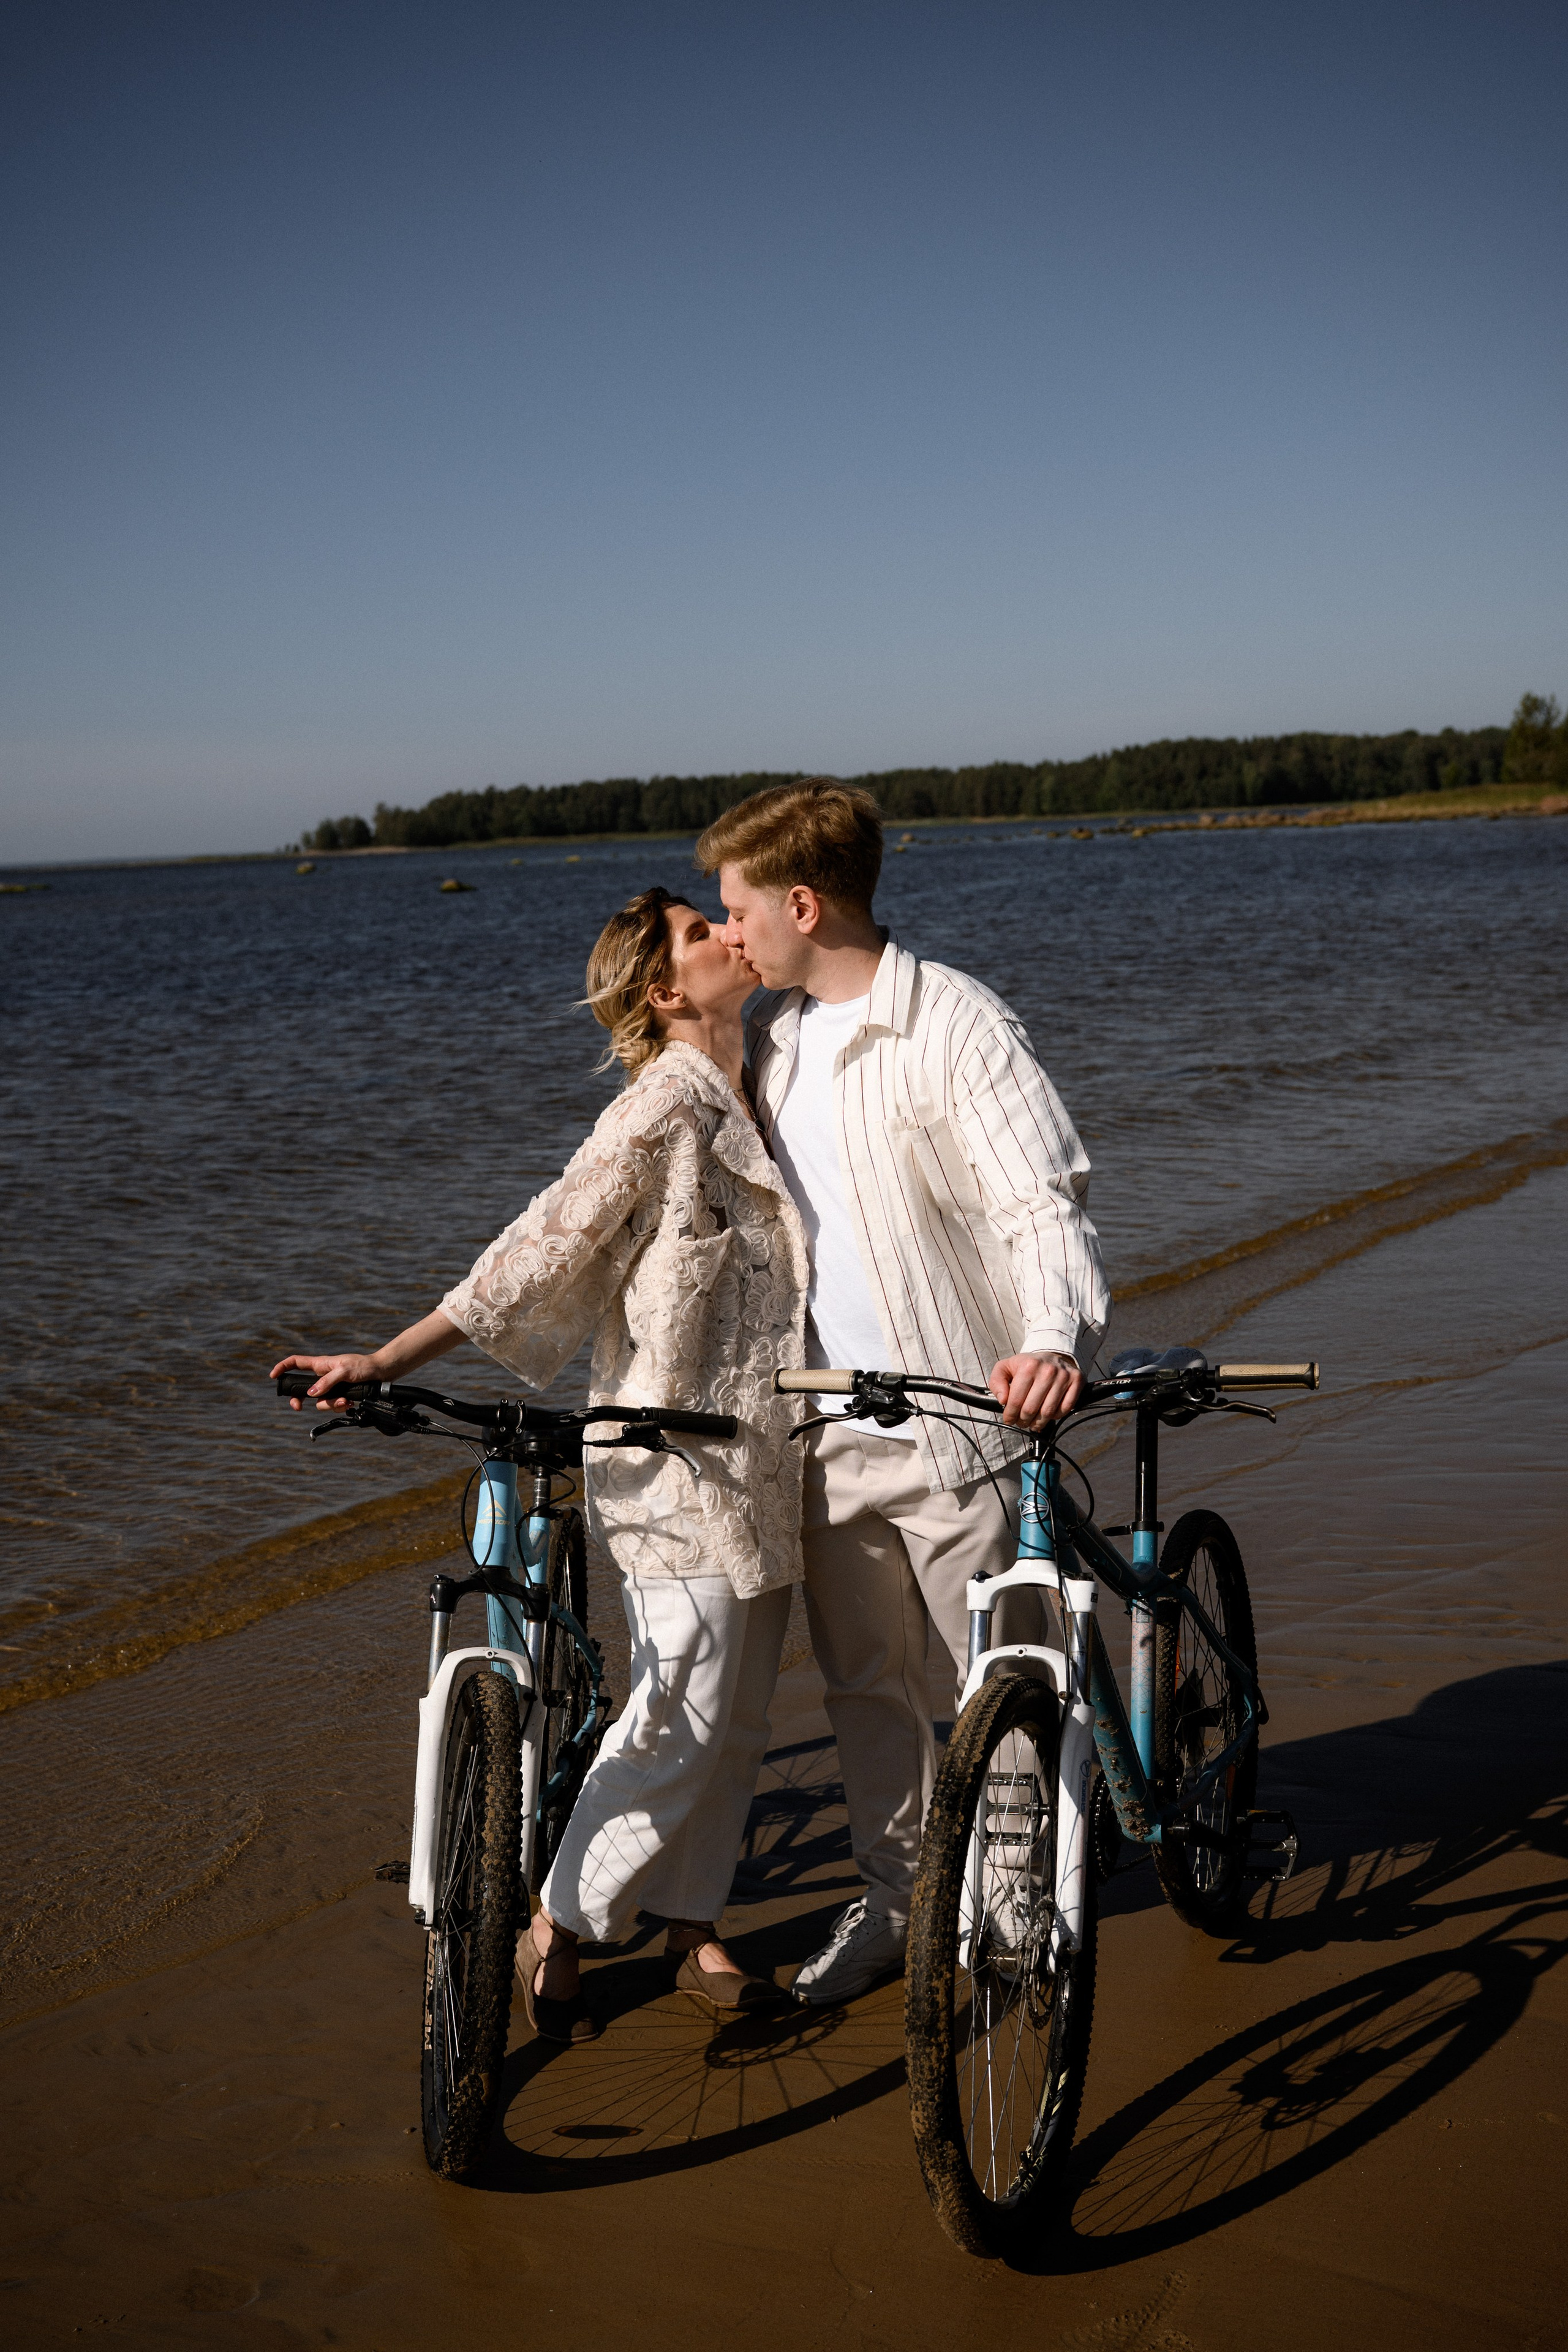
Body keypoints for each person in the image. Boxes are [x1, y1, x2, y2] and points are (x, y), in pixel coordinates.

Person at [271, 887, 810, 2043]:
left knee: (745, 1713)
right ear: (665, 989)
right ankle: (557, 1923)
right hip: (672, 1465)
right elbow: (538, 1250)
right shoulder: (660, 1109)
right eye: (701, 931)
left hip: (767, 1452)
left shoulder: (771, 1078)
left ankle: (692, 1919)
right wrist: (388, 1354)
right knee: (683, 1709)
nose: (731, 935)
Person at [696, 781, 1110, 2004]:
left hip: (961, 1425)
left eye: (736, 910)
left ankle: (1015, 1900)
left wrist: (1047, 1337)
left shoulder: (956, 1027)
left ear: (802, 905)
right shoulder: (766, 1043)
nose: (728, 933)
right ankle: (895, 1898)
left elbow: (1038, 1198)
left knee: (1004, 1677)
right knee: (863, 1688)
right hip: (823, 1424)